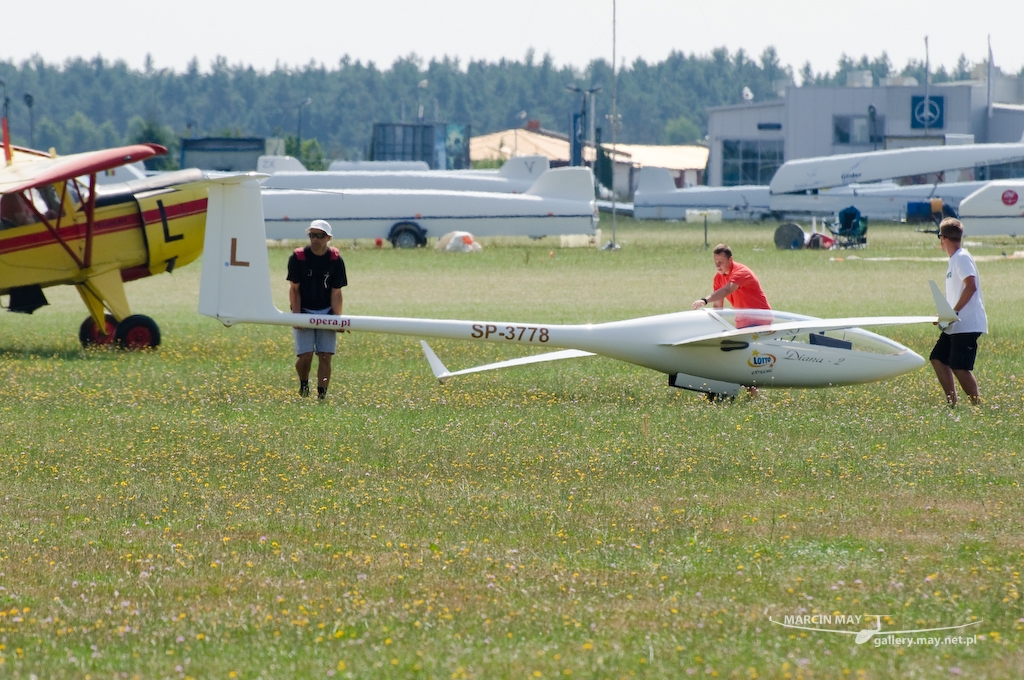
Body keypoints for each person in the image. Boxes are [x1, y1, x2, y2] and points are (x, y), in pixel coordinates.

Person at [287, 220, 348, 399]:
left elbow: (336, 292)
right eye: (312, 235)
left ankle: (322, 395)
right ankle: (304, 384)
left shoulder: (335, 259)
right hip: (304, 309)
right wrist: (297, 317)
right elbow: (294, 289)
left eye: (319, 235)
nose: (315, 239)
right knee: (305, 356)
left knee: (325, 355)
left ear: (328, 238)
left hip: (326, 310)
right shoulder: (298, 258)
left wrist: (337, 319)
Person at [930, 218, 987, 406]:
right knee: (938, 358)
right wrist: (944, 315)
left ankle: (977, 406)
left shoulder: (961, 258)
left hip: (967, 323)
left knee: (959, 366)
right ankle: (952, 403)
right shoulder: (955, 260)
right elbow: (958, 292)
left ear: (943, 238)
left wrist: (953, 312)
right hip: (955, 323)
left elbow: (971, 286)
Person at [691, 244, 771, 327]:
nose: (717, 266)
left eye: (721, 262)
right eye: (715, 262)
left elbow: (727, 290)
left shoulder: (741, 272)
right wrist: (711, 326)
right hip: (742, 323)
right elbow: (718, 306)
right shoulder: (718, 278)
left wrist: (704, 300)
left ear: (731, 259)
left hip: (760, 320)